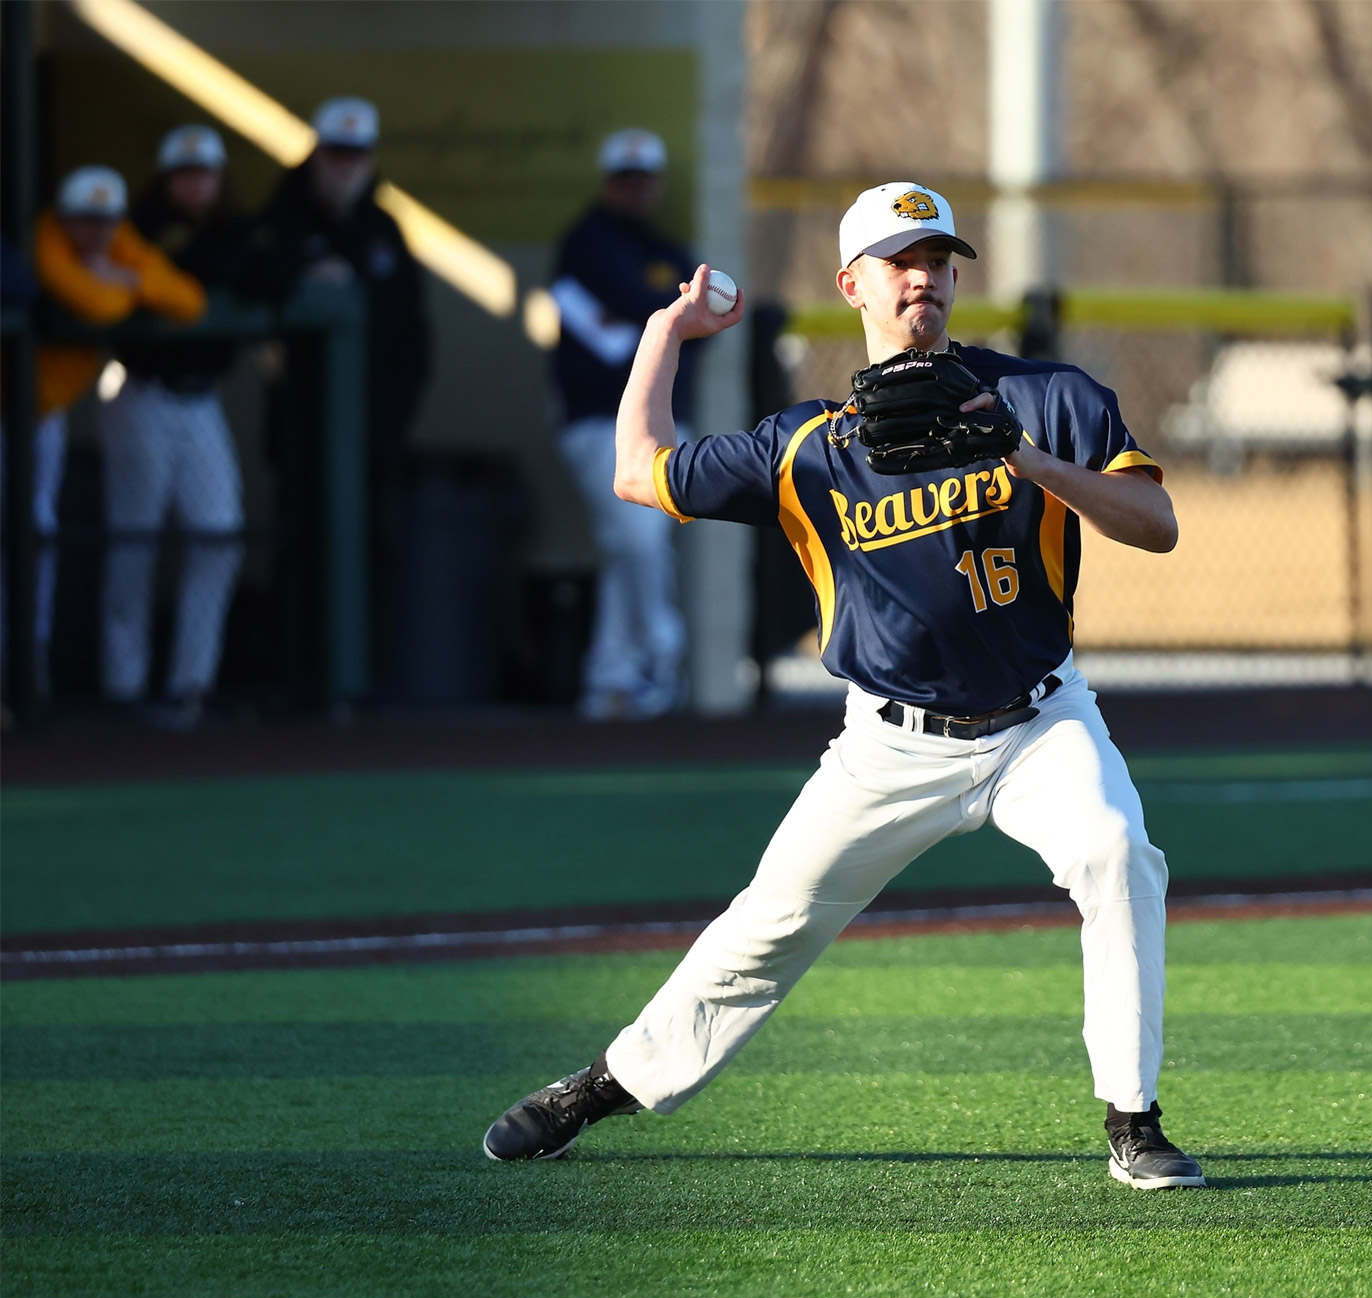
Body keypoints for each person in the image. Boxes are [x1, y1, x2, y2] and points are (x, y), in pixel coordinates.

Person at [484, 182, 1205, 1190]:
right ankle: (600, 1086)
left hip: (1040, 721)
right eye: (898, 259)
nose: (922, 275)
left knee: (1117, 850)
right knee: (766, 928)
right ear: (852, 284)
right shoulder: (807, 446)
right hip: (888, 743)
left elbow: (1153, 522)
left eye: (938, 257)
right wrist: (665, 331)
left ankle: (1132, 1119)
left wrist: (1024, 457)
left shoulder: (1041, 398)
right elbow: (636, 471)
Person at [250, 97, 430, 695]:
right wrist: (300, 281)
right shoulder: (281, 218)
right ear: (315, 152)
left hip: (375, 437)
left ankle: (369, 688)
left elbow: (414, 336)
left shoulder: (384, 229)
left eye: (357, 153)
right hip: (304, 432)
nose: (345, 163)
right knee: (300, 552)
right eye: (335, 151)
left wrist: (396, 417)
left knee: (377, 549)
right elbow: (248, 274)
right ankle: (295, 685)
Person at [23, 166, 204, 689]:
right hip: (11, 406)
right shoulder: (47, 238)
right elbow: (97, 302)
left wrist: (130, 279)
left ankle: (27, 663)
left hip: (42, 416)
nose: (96, 233)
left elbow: (190, 301)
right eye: (85, 220)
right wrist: (126, 289)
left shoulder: (119, 244)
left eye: (104, 221)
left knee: (37, 532)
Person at [100, 125, 252, 728]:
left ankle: (190, 684)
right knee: (134, 540)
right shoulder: (133, 228)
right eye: (184, 175)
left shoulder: (233, 230)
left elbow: (248, 269)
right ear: (165, 180)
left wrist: (168, 279)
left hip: (201, 400)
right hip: (139, 392)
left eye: (205, 174)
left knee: (219, 533)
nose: (196, 185)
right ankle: (123, 685)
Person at [548, 129, 696, 720]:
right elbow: (618, 336)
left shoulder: (667, 249)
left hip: (661, 423)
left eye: (643, 180)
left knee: (627, 545)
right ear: (607, 183)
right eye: (623, 180)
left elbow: (688, 325)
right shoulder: (582, 245)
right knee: (638, 540)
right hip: (595, 422)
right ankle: (663, 653)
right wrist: (655, 319)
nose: (634, 190)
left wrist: (648, 318)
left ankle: (611, 678)